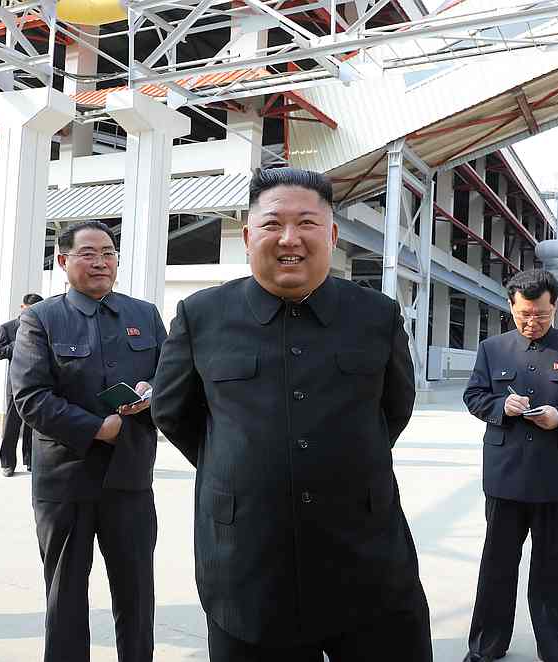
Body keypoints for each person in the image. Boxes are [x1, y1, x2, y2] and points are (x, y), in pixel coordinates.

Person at [151, 167, 432, 662]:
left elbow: (393, 408)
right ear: (246, 235)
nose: (289, 239)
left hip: (366, 557)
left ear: (332, 234)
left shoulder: (376, 316)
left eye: (307, 223)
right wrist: (241, 465)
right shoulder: (202, 315)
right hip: (247, 565)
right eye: (272, 224)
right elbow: (174, 412)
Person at [11, 220, 166, 662]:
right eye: (88, 253)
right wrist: (97, 427)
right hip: (66, 482)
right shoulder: (41, 319)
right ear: (63, 261)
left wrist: (151, 395)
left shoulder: (144, 315)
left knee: (136, 593)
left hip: (130, 478)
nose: (101, 262)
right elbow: (30, 396)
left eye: (109, 252)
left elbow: (170, 378)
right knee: (66, 596)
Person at [461, 268, 558, 662]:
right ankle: (485, 647)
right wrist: (500, 406)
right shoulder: (493, 349)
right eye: (524, 314)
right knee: (497, 566)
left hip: (556, 479)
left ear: (555, 307)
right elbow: (474, 394)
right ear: (511, 306)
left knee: (555, 570)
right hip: (505, 475)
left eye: (542, 315)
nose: (532, 322)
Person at [0, 292, 43, 476]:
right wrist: (19, 343)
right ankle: (7, 463)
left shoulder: (42, 326)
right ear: (22, 308)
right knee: (11, 424)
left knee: (33, 424)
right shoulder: (8, 327)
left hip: (37, 382)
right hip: (15, 383)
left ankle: (30, 460)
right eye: (29, 309)